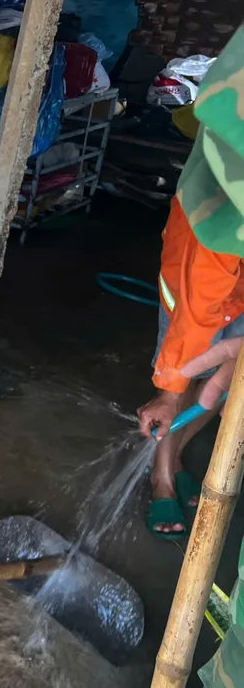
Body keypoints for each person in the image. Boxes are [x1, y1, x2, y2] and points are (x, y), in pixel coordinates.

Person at [136, 193, 244, 537]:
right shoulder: (234, 196)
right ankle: (162, 479)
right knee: (186, 375)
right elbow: (200, 302)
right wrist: (168, 393)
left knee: (228, 381)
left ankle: (176, 454)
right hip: (195, 272)